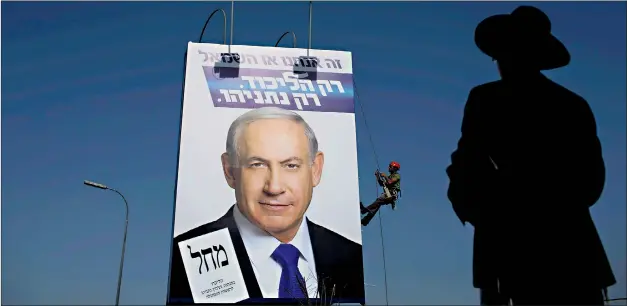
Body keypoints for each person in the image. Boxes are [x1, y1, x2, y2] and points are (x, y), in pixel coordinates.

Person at [445, 5, 616, 306]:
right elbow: (592, 182)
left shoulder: (486, 99)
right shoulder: (573, 105)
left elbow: (466, 163)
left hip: (511, 243)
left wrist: (485, 210)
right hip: (571, 246)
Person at [167, 107, 365, 305]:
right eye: (257, 164)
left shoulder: (355, 259)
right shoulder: (179, 261)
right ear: (229, 171)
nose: (274, 187)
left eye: (291, 165)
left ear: (316, 169)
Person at [360, 161, 401, 227]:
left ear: (395, 168)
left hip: (391, 195)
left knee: (379, 200)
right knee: (376, 206)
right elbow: (381, 184)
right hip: (388, 194)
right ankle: (365, 221)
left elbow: (390, 182)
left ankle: (365, 210)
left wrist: (385, 176)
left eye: (390, 166)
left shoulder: (397, 175)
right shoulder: (390, 176)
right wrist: (378, 176)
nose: (389, 167)